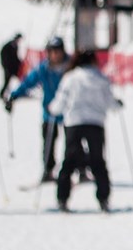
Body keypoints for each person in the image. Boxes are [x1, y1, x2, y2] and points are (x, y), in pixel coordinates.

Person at [48, 50, 120, 213]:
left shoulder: (70, 78)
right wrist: (118, 105)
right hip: (95, 123)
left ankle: (62, 198)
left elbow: (61, 101)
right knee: (98, 161)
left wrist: (53, 109)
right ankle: (103, 198)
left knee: (68, 161)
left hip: (74, 122)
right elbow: (109, 101)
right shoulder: (102, 79)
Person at [7, 36, 68, 182]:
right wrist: (14, 96)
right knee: (48, 142)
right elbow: (29, 82)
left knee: (74, 143)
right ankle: (48, 170)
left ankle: (80, 168)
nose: (55, 55)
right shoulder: (44, 68)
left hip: (69, 112)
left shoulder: (70, 66)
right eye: (52, 52)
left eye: (57, 52)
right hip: (49, 112)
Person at [0, 33, 23, 100]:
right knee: (6, 82)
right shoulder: (8, 46)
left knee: (21, 78)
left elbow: (15, 58)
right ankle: (1, 94)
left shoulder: (15, 46)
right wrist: (5, 66)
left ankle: (20, 91)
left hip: (13, 68)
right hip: (8, 68)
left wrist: (20, 63)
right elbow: (4, 57)